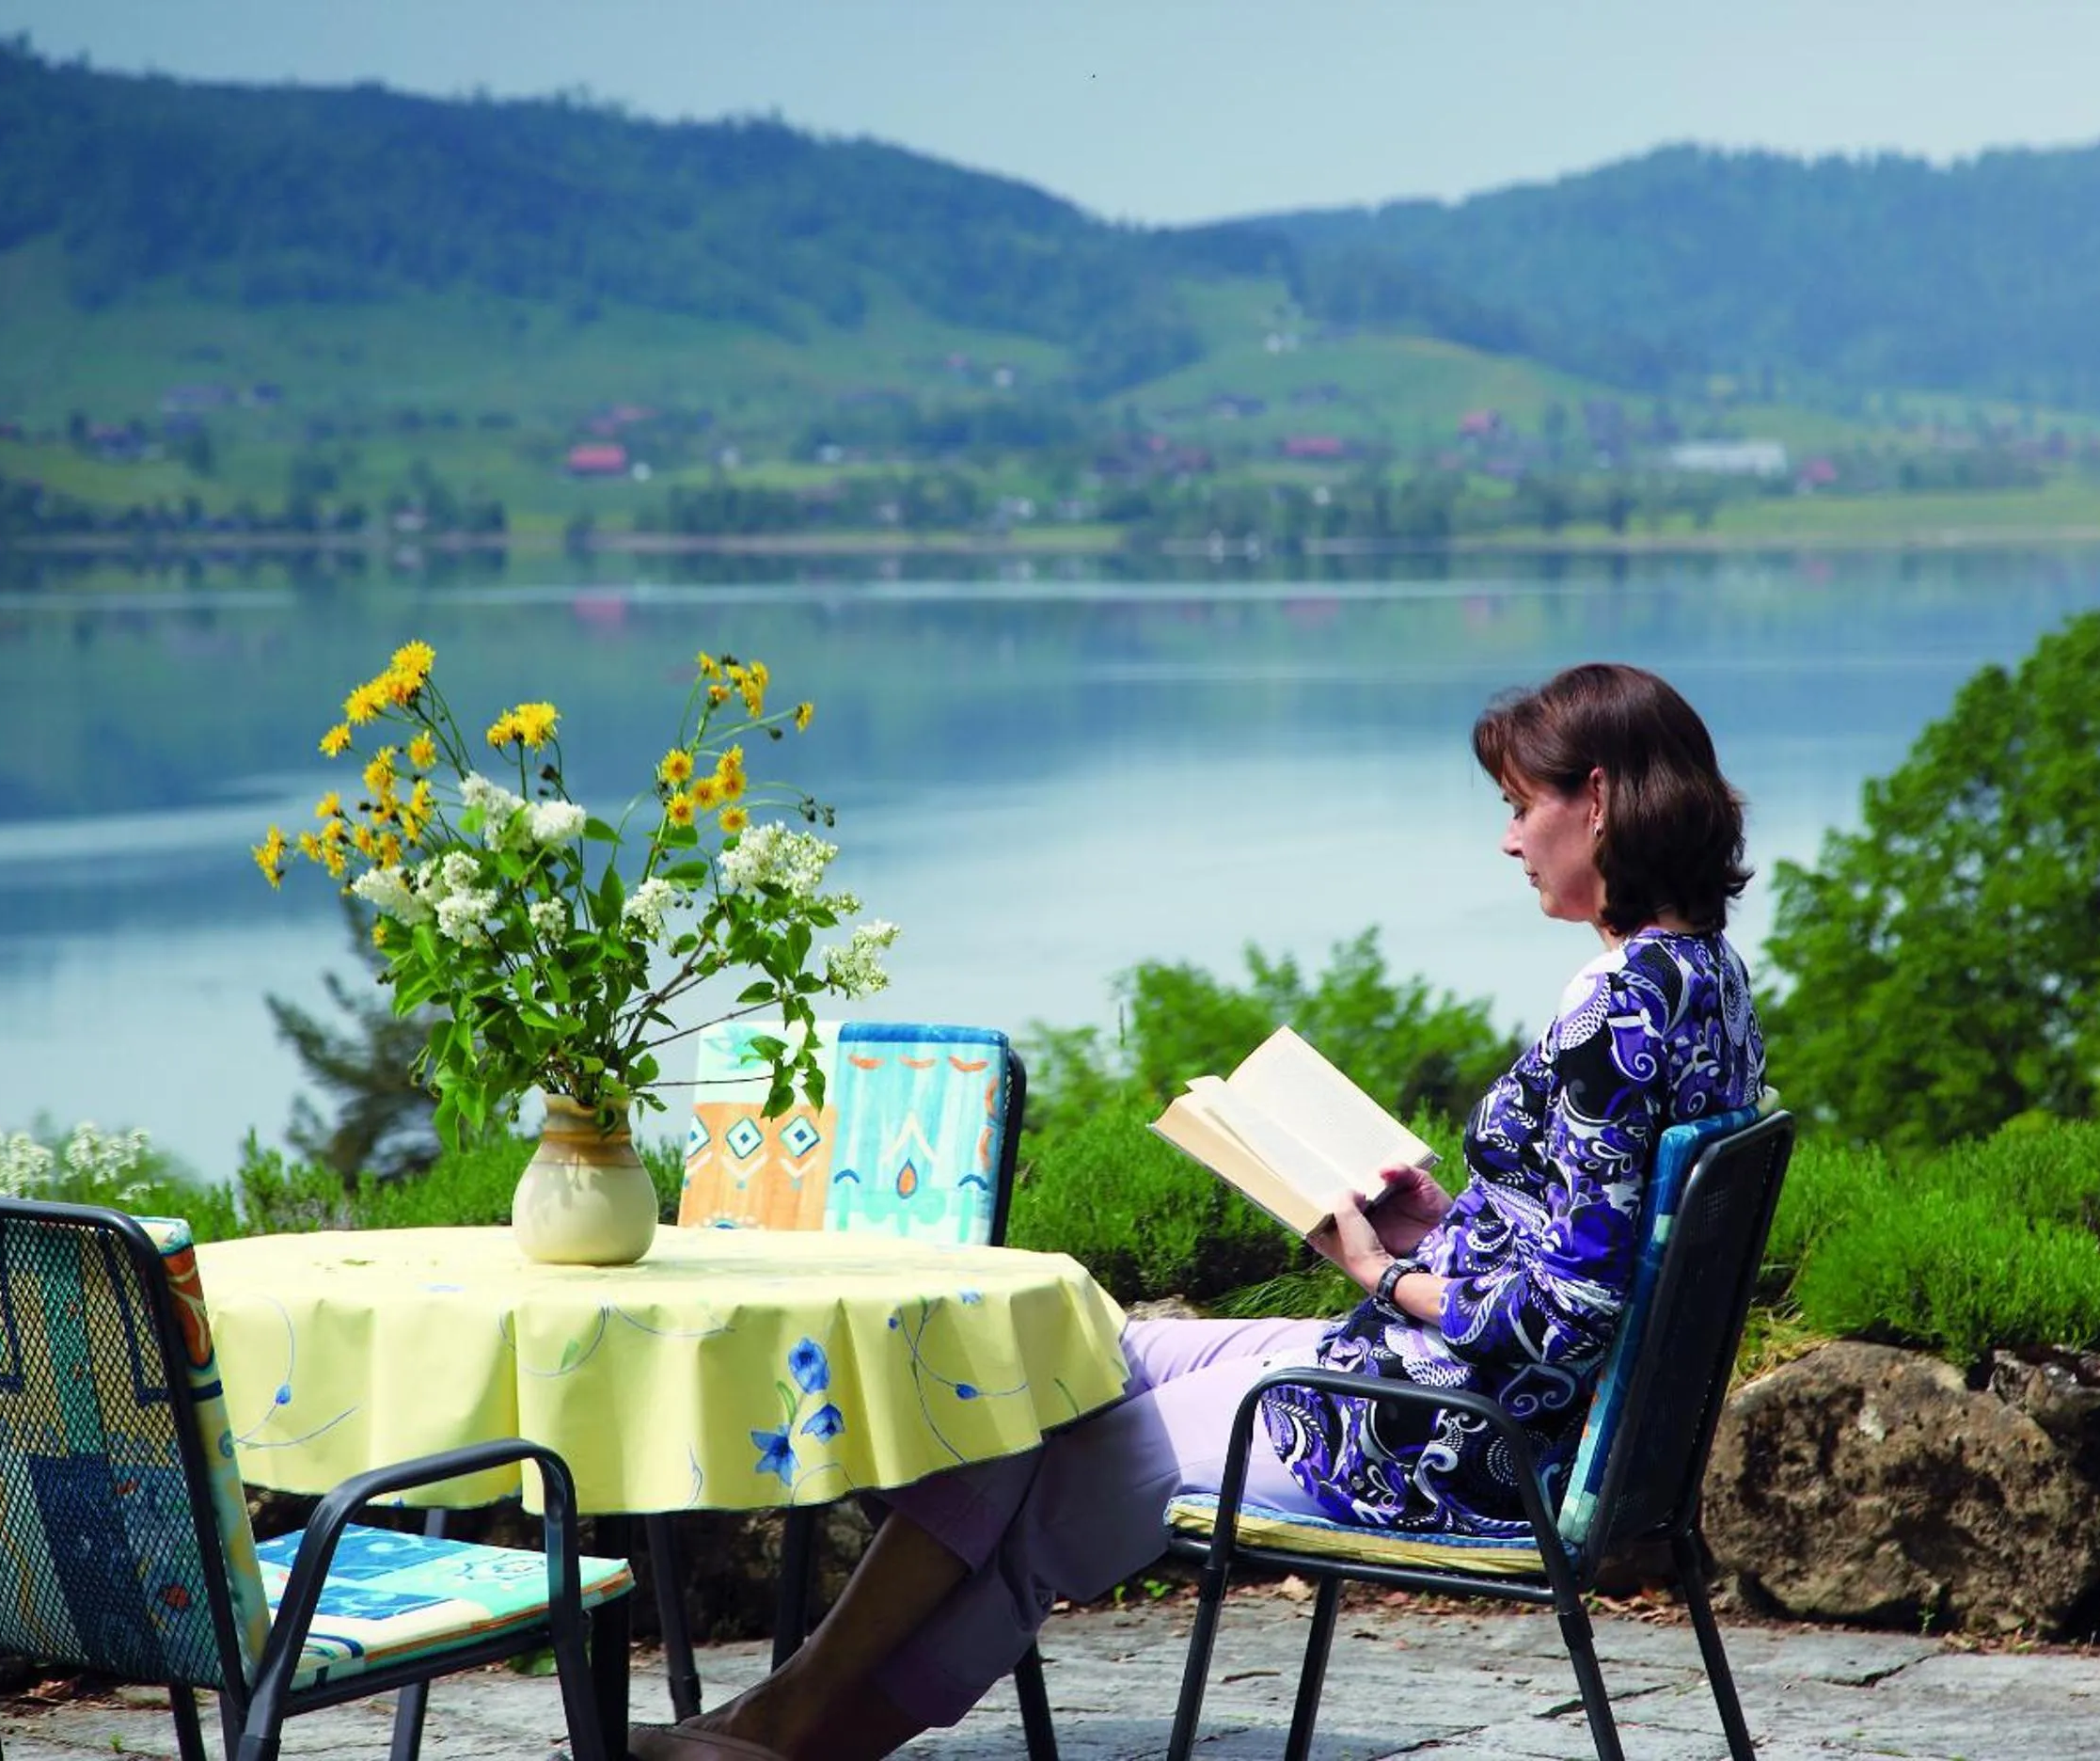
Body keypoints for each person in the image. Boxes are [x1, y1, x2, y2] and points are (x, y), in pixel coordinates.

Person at [634, 662, 1767, 1761]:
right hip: (1465, 1389)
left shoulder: (1618, 1011)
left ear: (1601, 801)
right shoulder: (1706, 983)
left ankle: (785, 1736)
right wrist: (1441, 1225)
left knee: (1063, 1474)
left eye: (1524, 806)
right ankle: (778, 1719)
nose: (1510, 838)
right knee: (1065, 1362)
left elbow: (1565, 1319)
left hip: (1456, 1435)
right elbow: (1588, 1239)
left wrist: (1377, 1270)